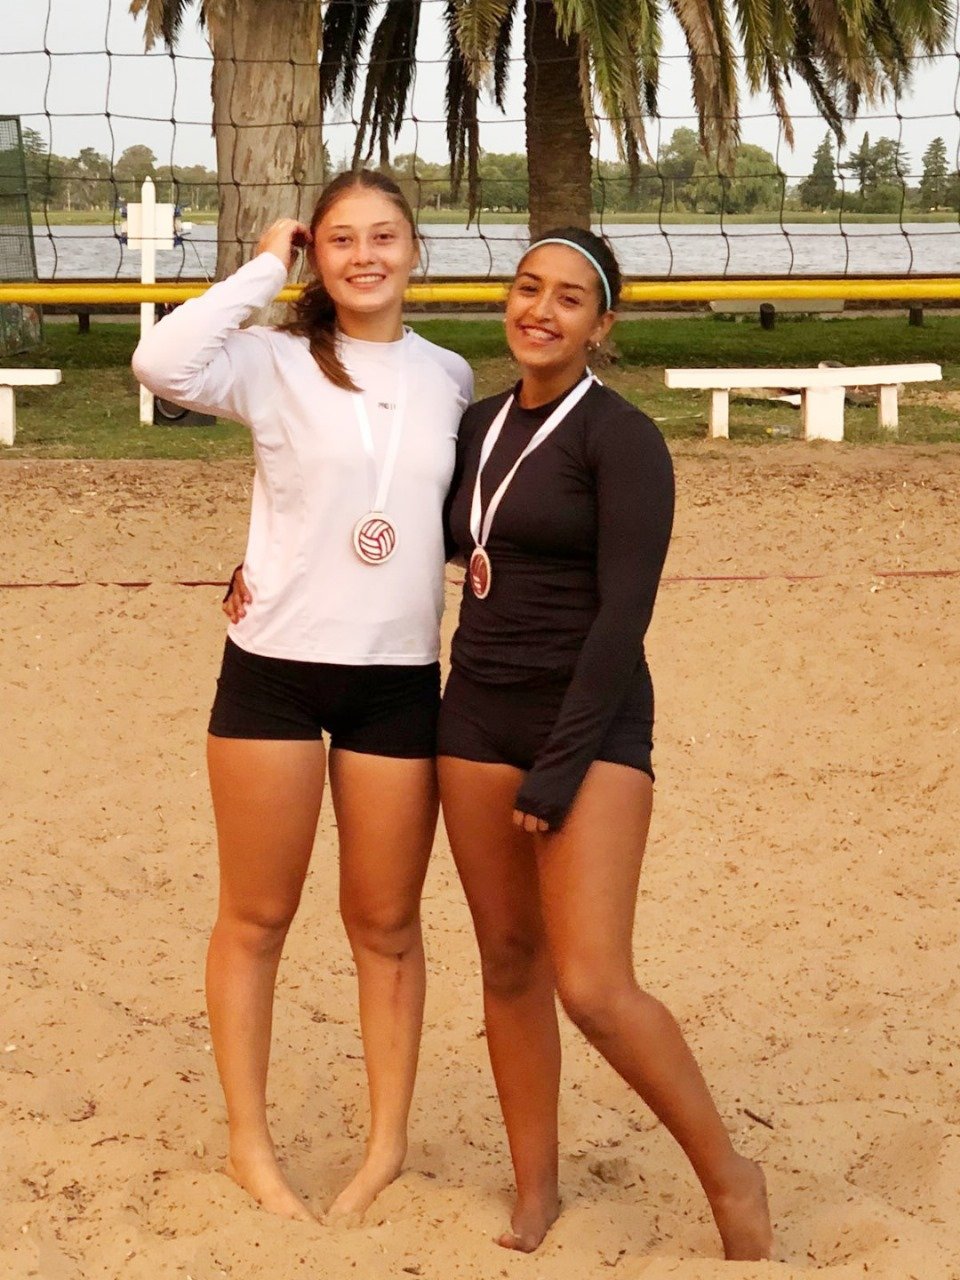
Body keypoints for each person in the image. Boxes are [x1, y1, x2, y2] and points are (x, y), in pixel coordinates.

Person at [131, 170, 473, 1224]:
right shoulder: (272, 358)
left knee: (387, 923)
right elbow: (159, 361)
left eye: (384, 235)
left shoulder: (450, 375)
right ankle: (251, 1144)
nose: (366, 255)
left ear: (415, 249)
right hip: (275, 669)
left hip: (398, 677)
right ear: (316, 256)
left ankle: (384, 1146)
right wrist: (261, 268)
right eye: (340, 239)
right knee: (257, 916)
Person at [436, 228, 773, 1260]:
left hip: (589, 723)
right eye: (527, 288)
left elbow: (624, 619)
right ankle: (536, 1185)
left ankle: (730, 1172)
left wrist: (562, 764)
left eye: (568, 298)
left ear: (601, 324)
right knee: (507, 960)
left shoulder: (622, 438)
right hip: (474, 714)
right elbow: (416, 537)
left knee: (592, 983)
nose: (540, 310)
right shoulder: (477, 423)